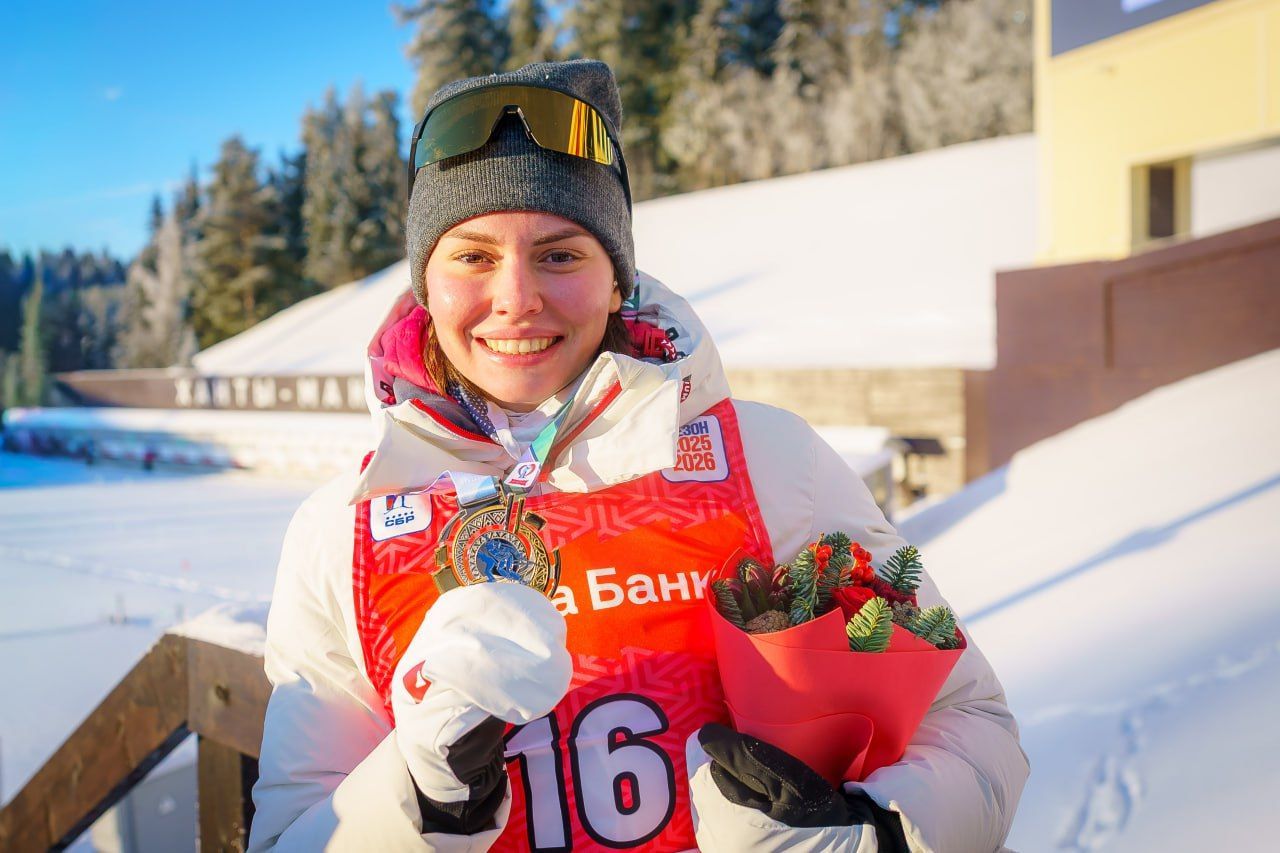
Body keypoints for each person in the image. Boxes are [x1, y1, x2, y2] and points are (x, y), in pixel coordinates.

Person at [247, 59, 1028, 852]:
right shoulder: (341, 531)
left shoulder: (767, 461)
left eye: (560, 255)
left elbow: (969, 722)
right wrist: (419, 794)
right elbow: (290, 833)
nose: (516, 298)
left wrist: (873, 836)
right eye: (473, 256)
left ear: (617, 281)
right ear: (425, 282)